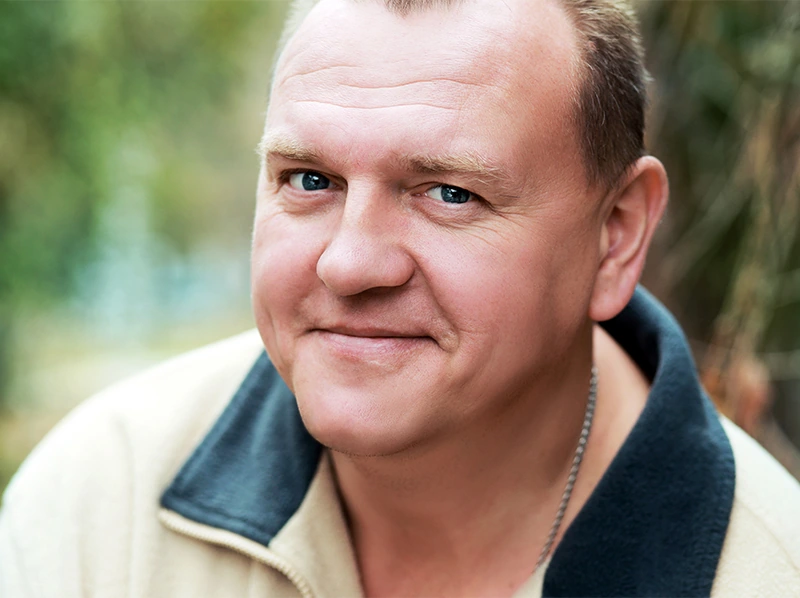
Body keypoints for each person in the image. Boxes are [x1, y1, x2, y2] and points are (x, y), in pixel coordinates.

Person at [2, 0, 799, 596]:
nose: (350, 264)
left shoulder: (767, 571)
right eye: (308, 181)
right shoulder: (98, 506)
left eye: (448, 193)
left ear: (616, 233)